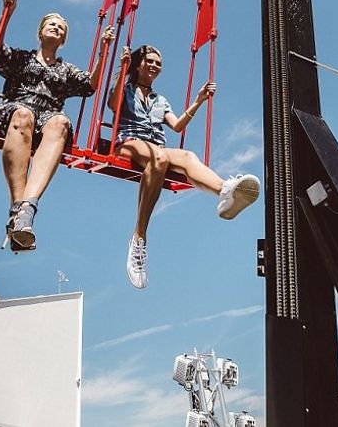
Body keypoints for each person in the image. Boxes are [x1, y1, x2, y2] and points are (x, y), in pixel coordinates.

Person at [109, 45, 259, 289]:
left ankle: (226, 190)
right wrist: (121, 70)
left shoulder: (160, 100)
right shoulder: (125, 90)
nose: (155, 65)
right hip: (128, 142)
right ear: (138, 64)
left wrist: (198, 101)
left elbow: (177, 125)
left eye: (159, 63)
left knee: (188, 156)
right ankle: (139, 238)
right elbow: (114, 106)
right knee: (159, 157)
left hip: (156, 148)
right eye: (150, 60)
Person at [0, 0, 113, 252]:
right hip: (18, 110)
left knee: (61, 122)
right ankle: (20, 210)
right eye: (52, 24)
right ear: (41, 32)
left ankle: (26, 210)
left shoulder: (65, 70)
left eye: (62, 28)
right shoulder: (22, 58)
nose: (56, 28)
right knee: (24, 114)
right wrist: (7, 13)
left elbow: (90, 85)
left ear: (63, 40)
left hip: (48, 119)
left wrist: (103, 53)